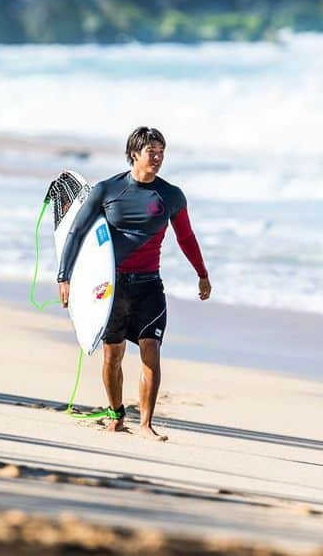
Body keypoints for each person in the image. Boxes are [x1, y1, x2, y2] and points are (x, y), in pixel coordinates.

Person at [57, 126, 211, 441]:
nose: (157, 158)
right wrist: (65, 276)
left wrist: (202, 273)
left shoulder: (170, 195)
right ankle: (115, 414)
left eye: (161, 152)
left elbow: (186, 237)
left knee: (151, 351)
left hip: (149, 285)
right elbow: (76, 232)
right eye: (151, 152)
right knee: (112, 356)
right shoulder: (106, 191)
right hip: (111, 287)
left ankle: (145, 424)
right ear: (134, 154)